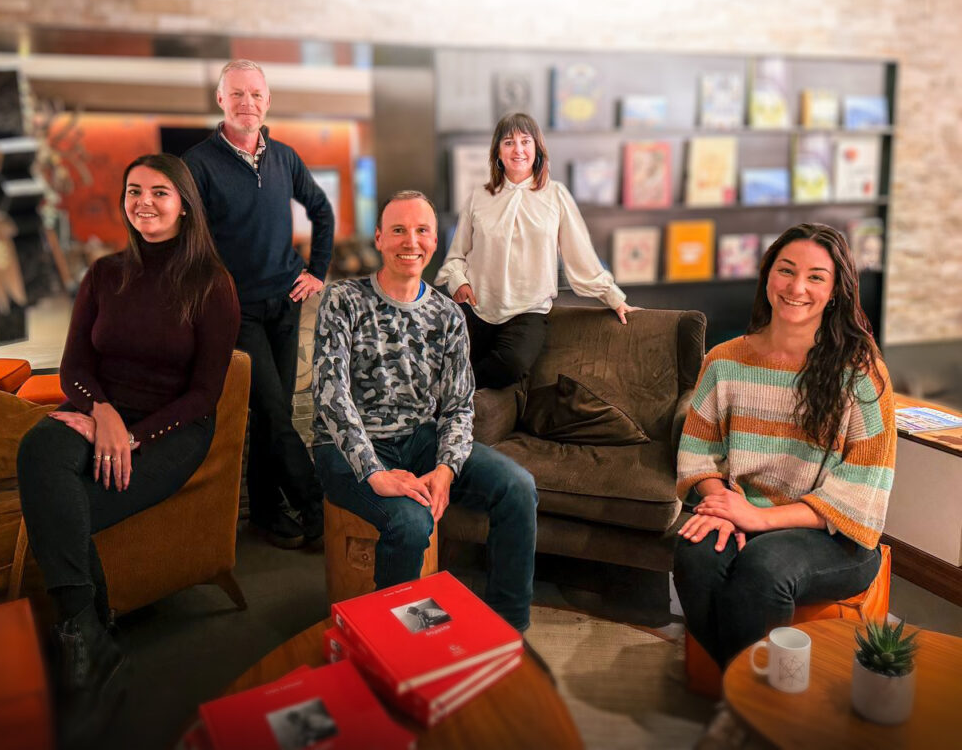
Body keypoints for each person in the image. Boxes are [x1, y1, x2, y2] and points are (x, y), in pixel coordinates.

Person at [16, 154, 239, 745]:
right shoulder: (104, 273)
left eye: (159, 192)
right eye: (133, 190)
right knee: (39, 452)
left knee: (63, 506)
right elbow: (74, 367)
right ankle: (87, 632)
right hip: (102, 416)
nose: (144, 202)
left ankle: (85, 645)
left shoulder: (212, 284)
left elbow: (203, 396)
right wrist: (103, 413)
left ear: (184, 204)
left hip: (173, 430)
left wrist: (135, 436)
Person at [311, 190, 537, 632]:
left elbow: (457, 405)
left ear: (434, 242)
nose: (409, 241)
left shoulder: (449, 315)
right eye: (397, 230)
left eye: (421, 231)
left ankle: (508, 627)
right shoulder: (342, 301)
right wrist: (373, 470)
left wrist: (447, 469)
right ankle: (392, 641)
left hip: (420, 439)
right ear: (378, 238)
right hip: (345, 448)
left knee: (518, 487)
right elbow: (330, 394)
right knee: (412, 523)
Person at [672, 223, 896, 668]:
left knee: (764, 568)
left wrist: (758, 518)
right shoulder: (724, 360)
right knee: (695, 557)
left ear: (835, 291)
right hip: (741, 508)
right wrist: (725, 505)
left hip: (833, 534)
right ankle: (750, 694)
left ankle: (755, 710)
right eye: (786, 271)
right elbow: (697, 452)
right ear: (767, 276)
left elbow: (862, 489)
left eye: (816, 276)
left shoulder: (861, 371)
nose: (797, 287)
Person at [183, 59, 334, 549]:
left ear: (267, 101)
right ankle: (319, 514)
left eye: (256, 94)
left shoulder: (284, 158)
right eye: (237, 94)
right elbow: (191, 243)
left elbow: (321, 210)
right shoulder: (197, 165)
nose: (247, 103)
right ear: (220, 100)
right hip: (238, 310)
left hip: (286, 302)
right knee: (272, 408)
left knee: (274, 413)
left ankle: (266, 515)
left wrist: (318, 270)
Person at [435, 112, 638, 389]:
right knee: (442, 355)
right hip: (477, 307)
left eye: (525, 141)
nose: (517, 149)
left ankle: (450, 389)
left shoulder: (556, 195)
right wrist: (459, 280)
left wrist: (612, 296)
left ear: (537, 149)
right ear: (497, 152)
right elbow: (457, 254)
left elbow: (581, 255)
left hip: (528, 310)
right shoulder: (479, 197)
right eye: (508, 142)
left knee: (512, 365)